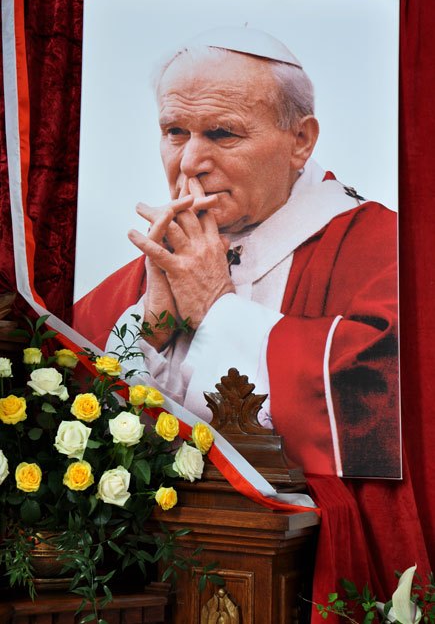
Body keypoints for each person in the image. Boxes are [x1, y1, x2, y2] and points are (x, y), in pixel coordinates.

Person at [74, 26, 399, 479]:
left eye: (222, 133)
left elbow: (382, 400)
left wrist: (215, 309)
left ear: (300, 141)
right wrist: (150, 332)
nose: (189, 162)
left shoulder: (388, 251)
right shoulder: (134, 284)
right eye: (175, 131)